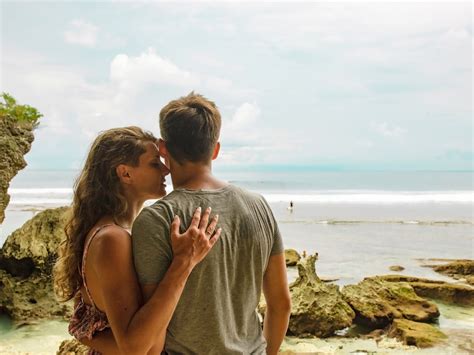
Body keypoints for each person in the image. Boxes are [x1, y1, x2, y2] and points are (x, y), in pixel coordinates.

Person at [132, 92, 292, 354]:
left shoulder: (156, 219)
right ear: (215, 149)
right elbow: (281, 304)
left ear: (163, 149)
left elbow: (153, 330)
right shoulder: (258, 206)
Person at [53, 126, 221, 354]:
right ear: (125, 173)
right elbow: (137, 349)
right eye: (154, 163)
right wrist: (184, 262)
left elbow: (84, 323)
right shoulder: (112, 238)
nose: (165, 169)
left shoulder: (118, 230)